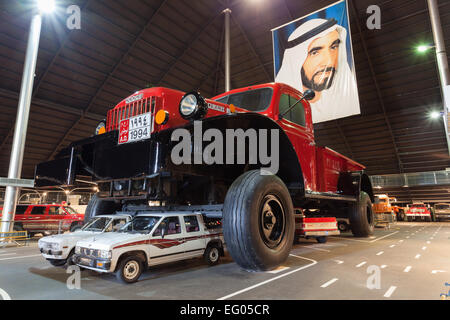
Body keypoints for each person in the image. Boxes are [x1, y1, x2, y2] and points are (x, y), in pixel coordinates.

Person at [275, 18, 360, 123]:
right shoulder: (286, 114)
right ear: (296, 62)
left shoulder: (341, 103)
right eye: (315, 52)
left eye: (333, 47)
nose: (329, 61)